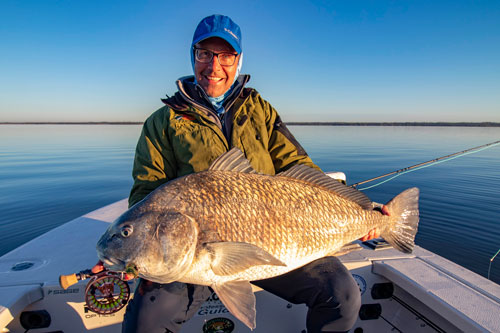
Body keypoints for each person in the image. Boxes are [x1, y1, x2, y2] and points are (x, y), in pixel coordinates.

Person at [93, 14, 380, 333]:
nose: (214, 66)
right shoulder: (163, 121)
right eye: (205, 54)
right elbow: (146, 196)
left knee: (343, 294)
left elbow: (298, 168)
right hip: (192, 254)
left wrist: (362, 212)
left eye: (226, 55)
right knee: (144, 323)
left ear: (238, 60)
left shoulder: (262, 111)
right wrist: (136, 252)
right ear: (193, 57)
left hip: (280, 241)